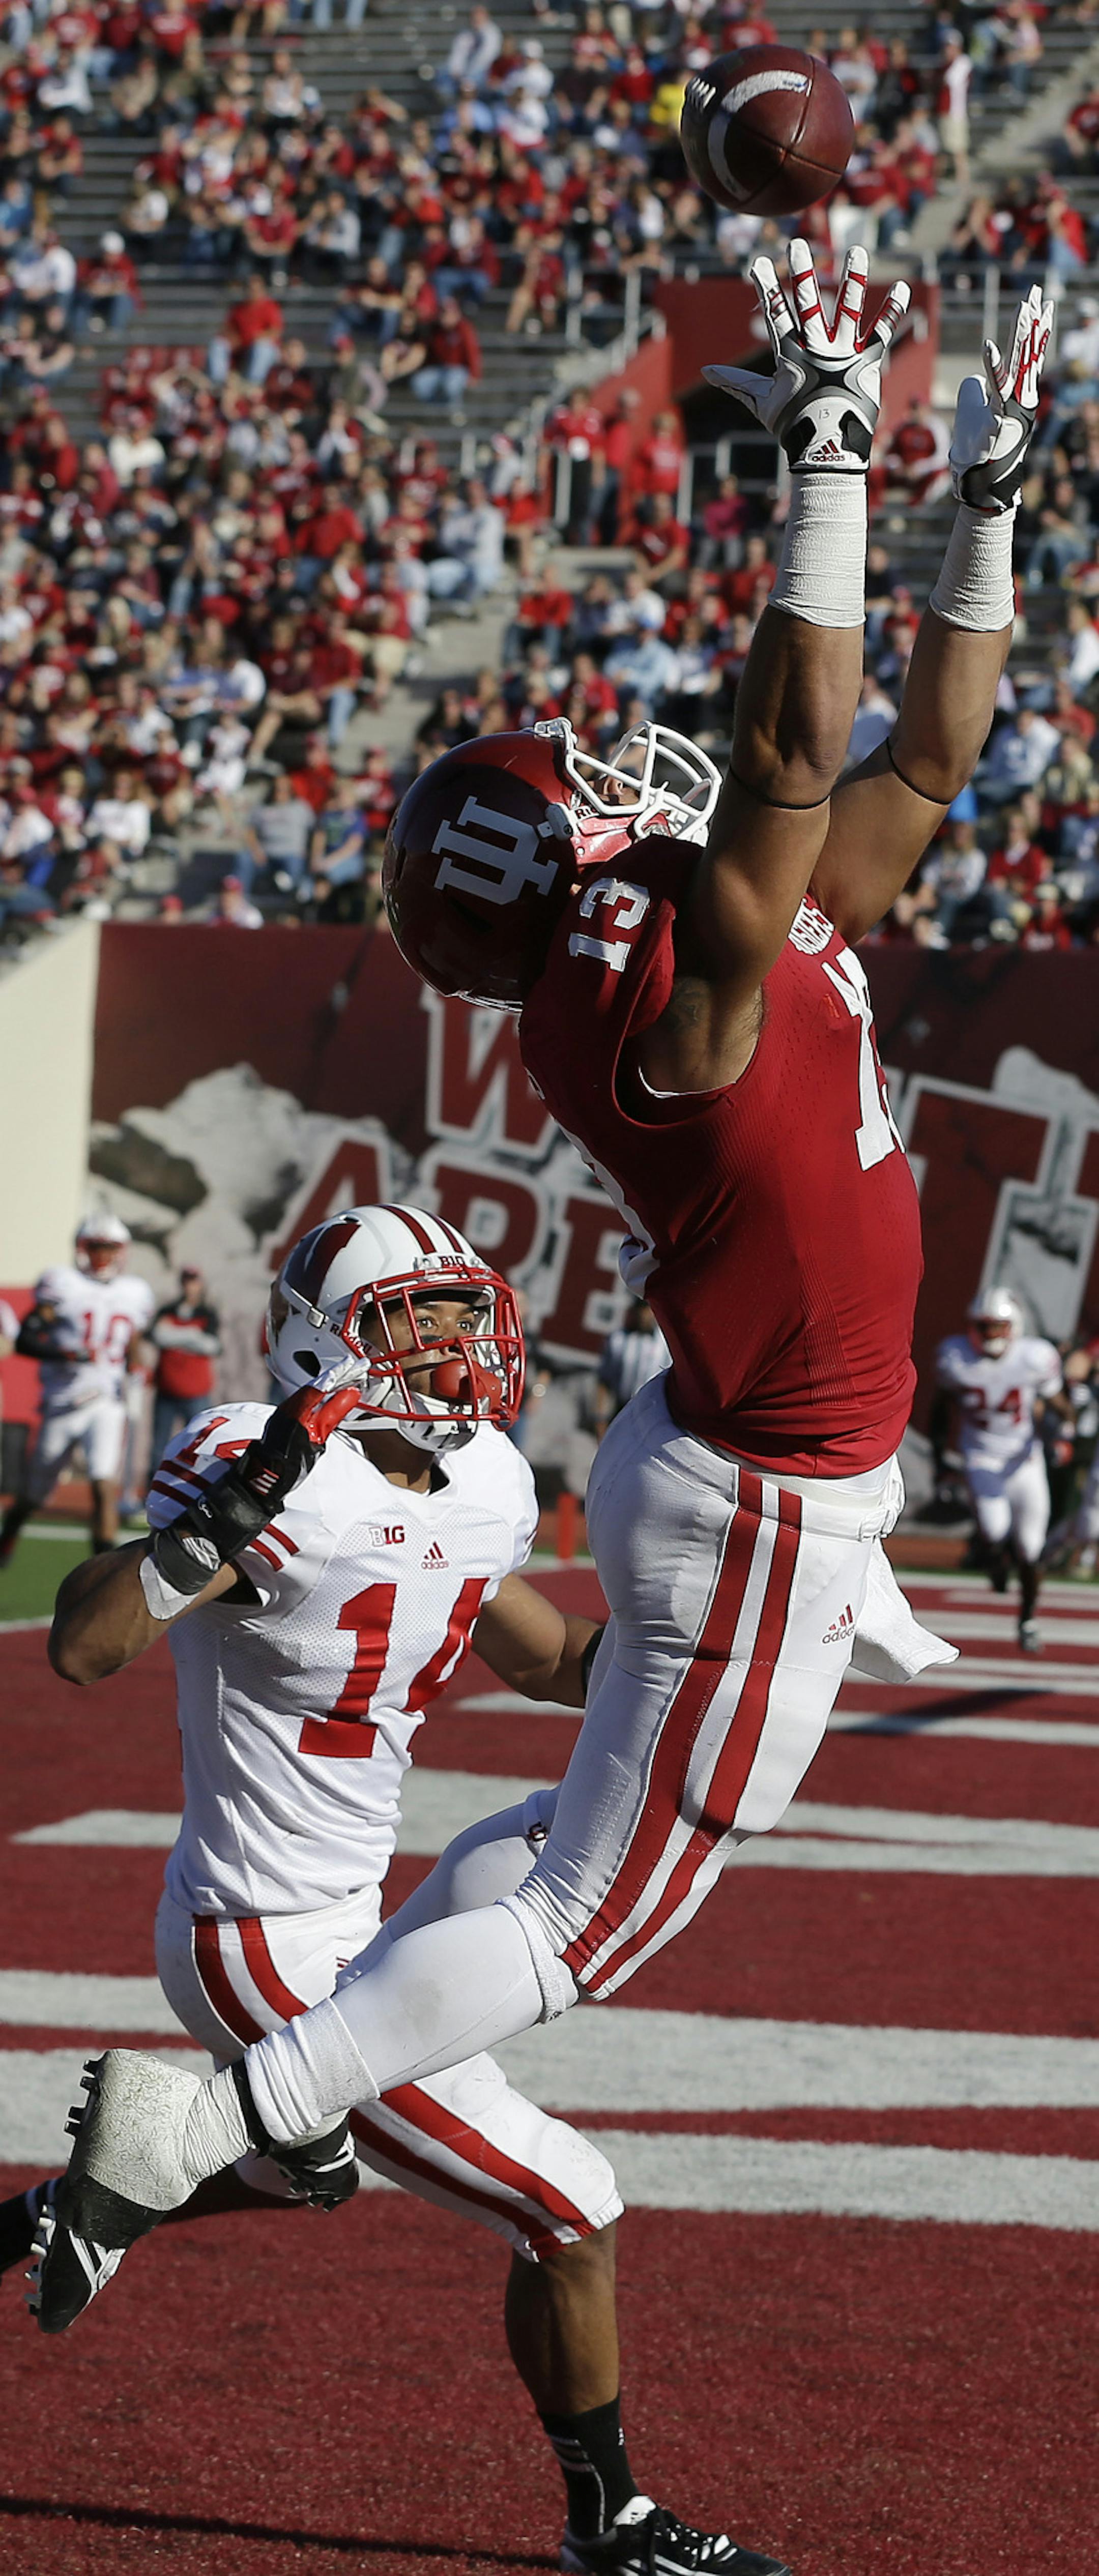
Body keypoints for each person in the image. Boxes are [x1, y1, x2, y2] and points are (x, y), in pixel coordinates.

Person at [36, 253, 1052, 2567]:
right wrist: (813, 449)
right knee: (592, 1920)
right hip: (774, 1488)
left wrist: (976, 515)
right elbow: (799, 758)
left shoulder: (668, 935)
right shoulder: (657, 996)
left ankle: (274, 2128)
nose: (631, 778)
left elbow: (910, 758)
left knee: (557, 1867)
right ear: (553, 865)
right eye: (578, 790)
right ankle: (206, 2123)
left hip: (762, 1467)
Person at [24, 1205, 777, 2576]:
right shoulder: (260, 1465)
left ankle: (96, 2194)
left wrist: (732, 1656)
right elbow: (85, 1645)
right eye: (415, 1320)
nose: (457, 1348)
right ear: (325, 1342)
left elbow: (551, 1662)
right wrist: (226, 1516)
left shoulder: (484, 1479)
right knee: (568, 2202)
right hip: (253, 1934)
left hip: (361, 1913)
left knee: (568, 1838)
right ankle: (607, 2526)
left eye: (463, 1315)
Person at [0, 1215, 153, 1565]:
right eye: (96, 1247)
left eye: (110, 1248)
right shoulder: (62, 1284)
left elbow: (134, 1342)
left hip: (107, 1402)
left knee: (103, 1485)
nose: (103, 1256)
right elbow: (26, 1339)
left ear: (122, 1252)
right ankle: (7, 1538)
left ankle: (105, 1569)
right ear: (83, 1249)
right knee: (33, 1495)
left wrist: (136, 1367)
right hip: (62, 1402)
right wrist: (64, 1353)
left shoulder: (135, 1292)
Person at [935, 1287, 1072, 1650]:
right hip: (980, 1457)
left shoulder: (1033, 1357)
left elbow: (1058, 1403)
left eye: (998, 1327)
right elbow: (940, 1410)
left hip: (1024, 1461)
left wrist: (1065, 1435)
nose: (991, 1335)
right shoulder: (956, 1357)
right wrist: (940, 1461)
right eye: (985, 1326)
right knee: (995, 1531)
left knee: (1031, 1547)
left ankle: (1027, 1619)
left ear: (1014, 1327)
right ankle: (994, 1561)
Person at [147, 1265, 221, 1474]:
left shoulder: (207, 1314)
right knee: (159, 1447)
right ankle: (152, 1490)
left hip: (196, 1393)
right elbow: (156, 1336)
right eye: (187, 1282)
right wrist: (192, 1336)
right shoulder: (167, 1311)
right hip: (167, 1391)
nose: (190, 1287)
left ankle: (196, 1489)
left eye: (194, 1282)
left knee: (200, 1445)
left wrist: (176, 1334)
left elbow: (213, 1346)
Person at [594, 1300, 671, 1438]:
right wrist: (600, 1416)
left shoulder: (664, 1343)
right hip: (622, 1407)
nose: (644, 1316)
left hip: (653, 1412)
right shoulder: (618, 1340)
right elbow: (604, 1380)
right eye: (641, 1311)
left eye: (648, 1311)